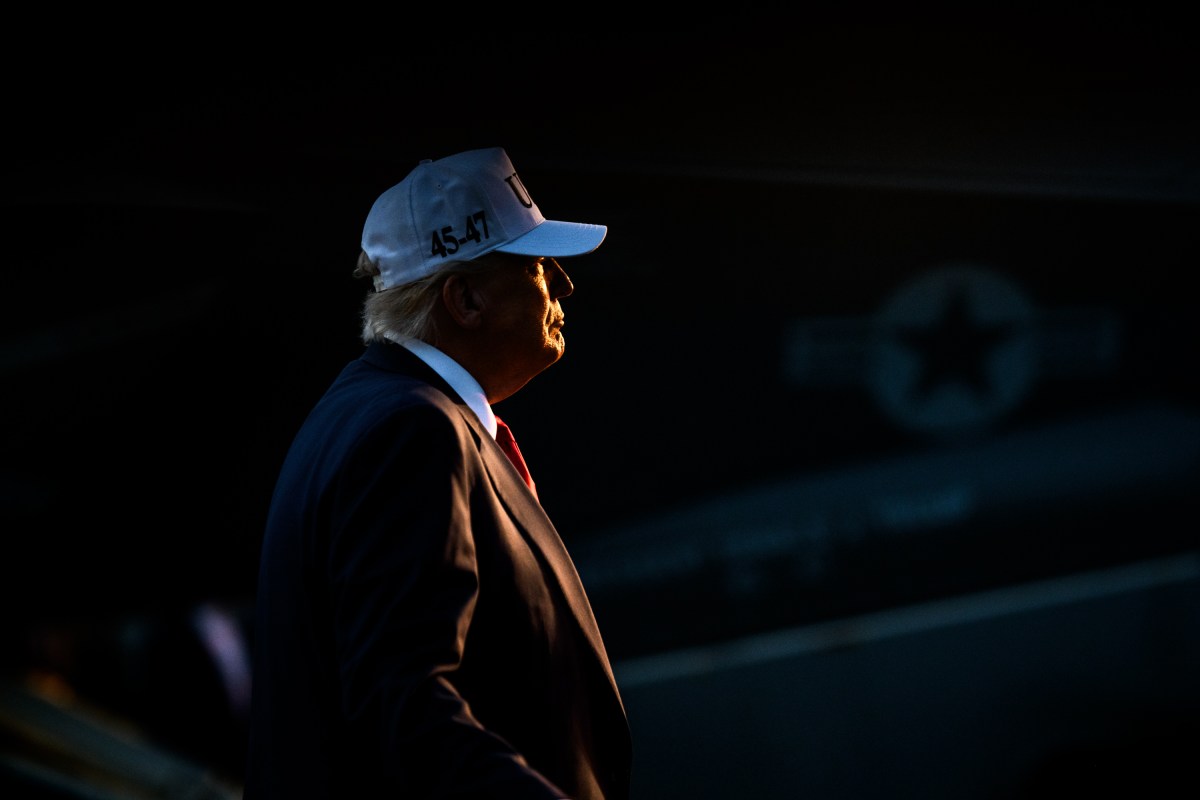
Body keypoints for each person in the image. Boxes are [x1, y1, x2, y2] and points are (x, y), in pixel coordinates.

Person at [243, 147, 631, 799]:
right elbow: (406, 710)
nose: (564, 283)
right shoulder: (412, 431)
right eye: (535, 263)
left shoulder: (368, 411)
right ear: (466, 299)